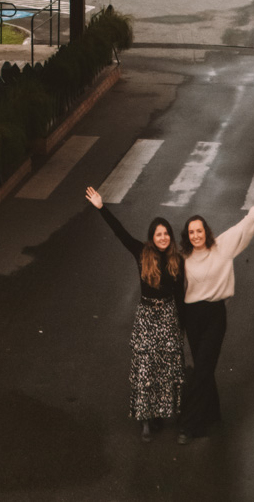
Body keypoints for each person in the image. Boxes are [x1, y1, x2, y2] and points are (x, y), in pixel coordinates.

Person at [85, 186, 185, 442]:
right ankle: (145, 421)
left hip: (168, 316)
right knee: (145, 367)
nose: (163, 238)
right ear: (152, 237)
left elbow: (180, 296)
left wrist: (181, 327)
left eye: (166, 234)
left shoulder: (177, 260)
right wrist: (101, 207)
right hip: (147, 317)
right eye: (158, 234)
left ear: (170, 237)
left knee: (165, 369)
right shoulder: (142, 253)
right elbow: (120, 233)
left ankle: (161, 414)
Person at [176, 192, 254, 444]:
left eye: (199, 231)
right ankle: (213, 414)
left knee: (202, 368)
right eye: (191, 232)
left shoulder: (221, 247)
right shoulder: (183, 260)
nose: (196, 235)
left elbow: (243, 229)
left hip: (214, 316)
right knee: (204, 366)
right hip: (192, 316)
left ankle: (189, 424)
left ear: (206, 232)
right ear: (187, 236)